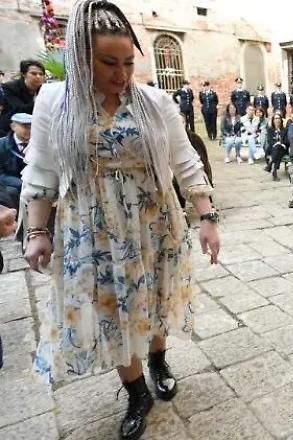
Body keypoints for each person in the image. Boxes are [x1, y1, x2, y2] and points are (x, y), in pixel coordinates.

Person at [21, 3, 220, 440]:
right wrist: (37, 232)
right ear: (80, 58)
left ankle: (158, 358)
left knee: (154, 298)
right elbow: (42, 170)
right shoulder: (56, 101)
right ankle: (135, 392)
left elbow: (185, 160)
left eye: (129, 62)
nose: (121, 73)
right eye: (108, 63)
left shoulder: (154, 100)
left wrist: (207, 217)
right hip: (92, 227)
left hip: (154, 221)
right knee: (111, 309)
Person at [173, 114, 213, 208]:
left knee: (202, 177)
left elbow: (203, 157)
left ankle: (208, 204)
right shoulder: (170, 138)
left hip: (195, 166)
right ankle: (181, 206)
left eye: (182, 122)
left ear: (185, 123)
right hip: (175, 168)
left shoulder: (194, 138)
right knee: (175, 180)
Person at [0, 59, 45, 137]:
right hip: (11, 129)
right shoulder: (10, 87)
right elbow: (19, 109)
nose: (38, 76)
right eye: (33, 73)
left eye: (41, 74)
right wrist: (40, 102)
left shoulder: (45, 89)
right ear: (24, 74)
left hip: (37, 128)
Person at [0, 113, 32, 209]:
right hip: (13, 186)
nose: (30, 130)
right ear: (13, 126)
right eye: (25, 127)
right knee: (11, 192)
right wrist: (22, 183)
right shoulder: (2, 145)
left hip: (33, 183)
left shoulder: (39, 146)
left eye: (32, 127)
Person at [265, 111, 289, 181]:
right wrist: (276, 144)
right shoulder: (270, 130)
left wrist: (280, 144)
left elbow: (287, 140)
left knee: (278, 148)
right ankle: (273, 170)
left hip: (283, 148)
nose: (277, 120)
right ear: (273, 120)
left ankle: (271, 165)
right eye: (275, 119)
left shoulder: (285, 130)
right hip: (272, 148)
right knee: (277, 149)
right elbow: (269, 140)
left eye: (278, 118)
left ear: (281, 120)